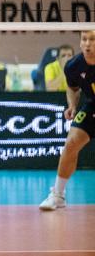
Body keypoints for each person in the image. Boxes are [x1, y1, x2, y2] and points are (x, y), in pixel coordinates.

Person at [39, 30, 95, 211]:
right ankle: (58, 195)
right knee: (71, 143)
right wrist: (72, 105)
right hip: (92, 106)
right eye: (84, 39)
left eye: (92, 39)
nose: (87, 43)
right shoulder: (74, 66)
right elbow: (72, 87)